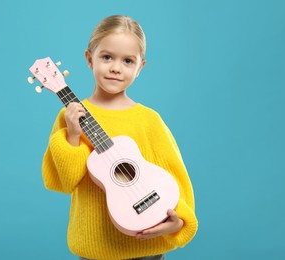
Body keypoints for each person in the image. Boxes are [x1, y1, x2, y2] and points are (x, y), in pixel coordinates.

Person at [42, 15, 198, 260]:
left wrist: (179, 222)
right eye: (107, 57)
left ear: (140, 67)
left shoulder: (149, 120)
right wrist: (72, 135)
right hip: (96, 249)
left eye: (127, 60)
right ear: (89, 58)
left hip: (149, 247)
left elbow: (174, 177)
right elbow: (63, 183)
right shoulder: (70, 116)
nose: (116, 67)